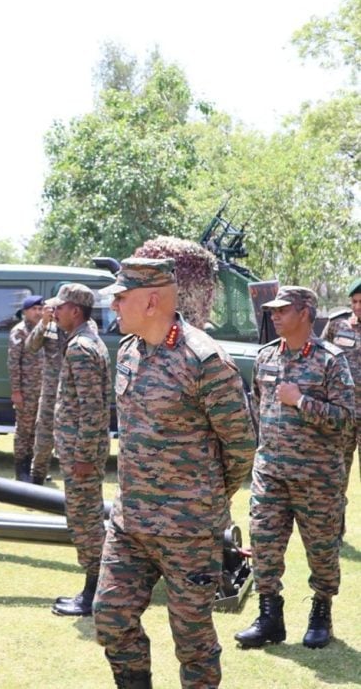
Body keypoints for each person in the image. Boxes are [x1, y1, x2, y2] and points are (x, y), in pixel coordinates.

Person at [93, 258, 256, 689]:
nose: (113, 306)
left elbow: (241, 445)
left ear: (150, 301)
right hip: (130, 525)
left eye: (121, 297)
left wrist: (204, 500)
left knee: (193, 639)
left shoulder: (204, 360)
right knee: (110, 617)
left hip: (189, 529)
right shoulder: (128, 351)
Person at [236, 286, 355, 651]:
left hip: (317, 477)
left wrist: (302, 401)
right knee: (265, 545)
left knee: (321, 550)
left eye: (283, 310)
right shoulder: (266, 357)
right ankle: (270, 616)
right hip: (271, 472)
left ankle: (321, 613)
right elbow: (259, 408)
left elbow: (348, 420)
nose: (274, 315)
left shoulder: (331, 360)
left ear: (305, 313)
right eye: (272, 310)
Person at [49, 283, 110, 617]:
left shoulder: (81, 348)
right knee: (85, 520)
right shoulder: (85, 341)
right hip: (79, 450)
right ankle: (94, 589)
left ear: (76, 310)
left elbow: (91, 408)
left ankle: (94, 594)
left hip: (80, 453)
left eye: (60, 307)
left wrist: (84, 455)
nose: (54, 312)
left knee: (85, 523)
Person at [322, 276, 361, 492]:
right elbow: (321, 357)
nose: (357, 307)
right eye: (354, 302)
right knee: (337, 475)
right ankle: (336, 524)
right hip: (342, 413)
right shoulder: (338, 324)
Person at [26, 297, 67, 485]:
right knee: (42, 439)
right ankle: (37, 480)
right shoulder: (49, 326)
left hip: (72, 393)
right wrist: (44, 322)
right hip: (51, 392)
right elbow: (31, 346)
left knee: (69, 440)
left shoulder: (84, 325)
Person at [8, 295, 45, 482]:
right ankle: (21, 470)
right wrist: (16, 391)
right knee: (24, 431)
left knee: (40, 431)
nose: (38, 312)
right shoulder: (20, 331)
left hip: (43, 391)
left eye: (40, 308)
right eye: (34, 309)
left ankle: (34, 468)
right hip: (26, 390)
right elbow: (14, 363)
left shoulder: (46, 330)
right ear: (25, 312)